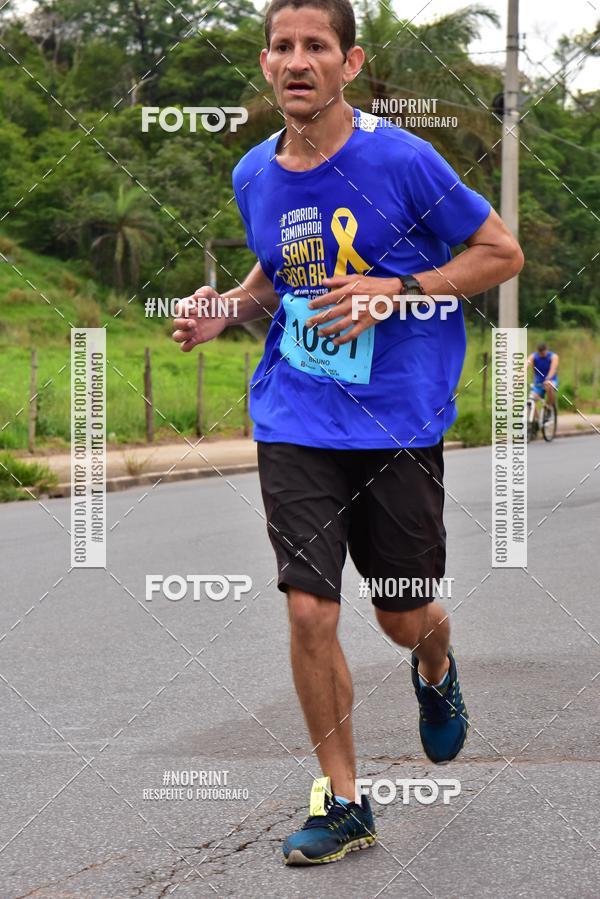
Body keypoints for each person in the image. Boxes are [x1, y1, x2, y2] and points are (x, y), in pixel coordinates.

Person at [172, 0, 524, 867]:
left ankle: (436, 667)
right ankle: (345, 801)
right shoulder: (255, 173)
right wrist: (227, 309)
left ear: (349, 62)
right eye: (283, 46)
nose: (299, 60)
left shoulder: (400, 158)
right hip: (295, 414)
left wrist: (398, 289)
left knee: (402, 617)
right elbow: (276, 276)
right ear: (265, 66)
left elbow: (500, 252)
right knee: (307, 605)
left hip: (398, 417)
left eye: (316, 46)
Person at [528, 342, 559, 411]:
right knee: (531, 399)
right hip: (538, 383)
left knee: (549, 386)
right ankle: (535, 420)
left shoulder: (553, 356)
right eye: (540, 353)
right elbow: (526, 365)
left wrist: (548, 378)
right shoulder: (533, 356)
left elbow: (553, 369)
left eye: (543, 353)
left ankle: (548, 408)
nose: (541, 355)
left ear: (546, 350)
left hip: (551, 380)